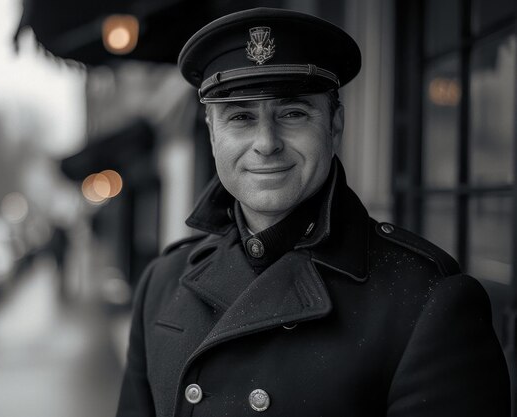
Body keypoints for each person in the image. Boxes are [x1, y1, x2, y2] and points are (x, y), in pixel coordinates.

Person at [116, 7, 510, 417]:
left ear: (334, 124)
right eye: (241, 117)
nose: (266, 143)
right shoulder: (161, 283)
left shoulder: (428, 301)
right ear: (213, 134)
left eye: (293, 114)